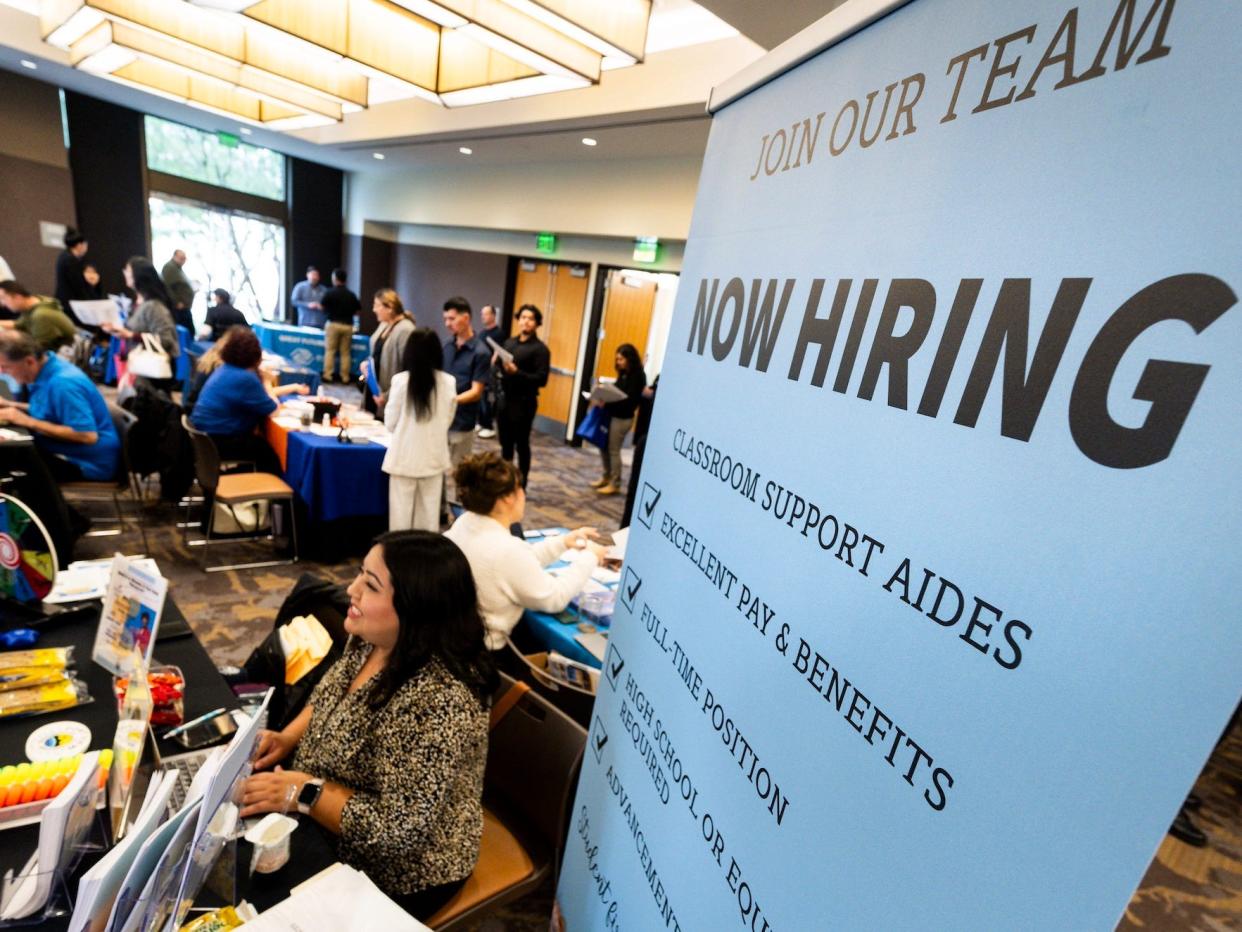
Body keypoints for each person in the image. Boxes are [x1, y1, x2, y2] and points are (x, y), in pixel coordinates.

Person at [241, 531, 496, 917]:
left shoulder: (438, 699)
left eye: (371, 585)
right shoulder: (371, 638)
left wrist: (303, 791)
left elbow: (398, 831)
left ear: (415, 610)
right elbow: (332, 695)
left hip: (402, 870)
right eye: (360, 573)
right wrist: (288, 736)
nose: (352, 589)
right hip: (325, 815)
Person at [446, 453, 604, 650]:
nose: (524, 495)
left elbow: (519, 565)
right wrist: (590, 557)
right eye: (520, 488)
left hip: (457, 641)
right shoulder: (506, 550)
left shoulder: (466, 522)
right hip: (486, 654)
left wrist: (563, 542)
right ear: (507, 498)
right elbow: (555, 598)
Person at [0, 330, 118, 481]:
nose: (2, 372)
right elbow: (50, 409)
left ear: (29, 361)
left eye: (5, 367)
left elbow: (88, 436)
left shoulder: (63, 384)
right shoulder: (46, 367)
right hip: (63, 449)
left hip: (86, 462)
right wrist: (10, 404)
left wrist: (26, 421)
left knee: (10, 464)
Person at [190, 326, 304, 473]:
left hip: (203, 438)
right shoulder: (245, 378)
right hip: (219, 440)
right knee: (269, 455)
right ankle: (276, 494)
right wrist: (266, 381)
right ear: (256, 355)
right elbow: (274, 410)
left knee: (259, 447)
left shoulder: (224, 369)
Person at [383, 329, 456, 532]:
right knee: (428, 519)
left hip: (403, 458)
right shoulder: (449, 383)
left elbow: (390, 423)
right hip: (433, 457)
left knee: (400, 519)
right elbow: (447, 420)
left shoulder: (400, 381)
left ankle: (400, 560)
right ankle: (425, 561)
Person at [441, 297, 489, 509]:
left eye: (451, 319)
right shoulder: (448, 346)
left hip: (462, 421)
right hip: (442, 419)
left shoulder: (480, 352)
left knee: (460, 475)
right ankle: (441, 511)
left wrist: (449, 400)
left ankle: (461, 515)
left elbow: (476, 391)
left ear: (466, 318)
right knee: (438, 470)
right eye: (445, 319)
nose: (447, 323)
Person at [103, 258, 180, 389]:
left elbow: (166, 340)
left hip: (152, 372)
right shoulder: (140, 303)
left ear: (137, 275)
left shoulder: (153, 306)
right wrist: (117, 331)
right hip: (140, 368)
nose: (124, 273)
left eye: (127, 270)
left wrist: (131, 335)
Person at [495, 303, 549, 488]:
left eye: (531, 318)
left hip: (524, 402)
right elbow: (501, 369)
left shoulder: (540, 349)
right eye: (523, 317)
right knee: (505, 443)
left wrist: (516, 372)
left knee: (521, 443)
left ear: (536, 323)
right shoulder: (509, 343)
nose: (526, 321)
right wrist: (497, 363)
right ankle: (506, 480)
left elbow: (541, 379)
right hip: (506, 399)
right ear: (518, 320)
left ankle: (522, 482)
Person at [592, 343, 646, 495]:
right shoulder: (623, 374)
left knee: (613, 450)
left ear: (629, 358)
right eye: (617, 359)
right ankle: (607, 476)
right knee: (604, 448)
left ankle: (615, 483)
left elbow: (629, 400)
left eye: (621, 359)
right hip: (613, 415)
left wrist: (610, 401)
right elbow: (616, 390)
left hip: (623, 419)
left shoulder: (638, 376)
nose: (618, 362)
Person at [363, 288, 415, 412]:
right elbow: (376, 353)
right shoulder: (384, 324)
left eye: (377, 305)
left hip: (389, 396)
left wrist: (387, 396)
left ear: (390, 307)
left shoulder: (405, 329)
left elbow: (408, 370)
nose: (374, 310)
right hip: (375, 390)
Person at [0, 281, 77, 353]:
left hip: (61, 355)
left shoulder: (41, 315)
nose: (2, 304)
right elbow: (18, 324)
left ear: (17, 297)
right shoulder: (36, 302)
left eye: (3, 298)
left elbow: (38, 351)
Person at [321, 268, 359, 384]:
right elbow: (357, 311)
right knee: (345, 353)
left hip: (333, 324)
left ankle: (328, 376)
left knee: (330, 351)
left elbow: (322, 307)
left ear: (335, 278)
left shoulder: (329, 292)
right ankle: (345, 378)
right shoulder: (351, 294)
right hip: (348, 326)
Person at [476, 304, 502, 439]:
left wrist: (493, 360)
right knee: (479, 397)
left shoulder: (499, 333)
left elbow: (499, 350)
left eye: (486, 314)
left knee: (487, 398)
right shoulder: (482, 333)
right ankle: (480, 422)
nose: (483, 317)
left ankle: (488, 426)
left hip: (490, 371)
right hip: (480, 369)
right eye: (482, 314)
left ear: (493, 315)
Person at [53, 229, 91, 323]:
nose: (86, 247)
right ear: (79, 245)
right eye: (85, 244)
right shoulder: (71, 260)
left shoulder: (63, 256)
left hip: (64, 303)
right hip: (70, 306)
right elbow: (78, 286)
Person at [161, 249, 196, 332]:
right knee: (187, 331)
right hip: (178, 308)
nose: (183, 260)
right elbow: (167, 287)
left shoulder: (177, 268)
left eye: (184, 258)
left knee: (189, 331)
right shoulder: (169, 267)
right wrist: (176, 302)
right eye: (181, 258)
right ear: (174, 257)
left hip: (183, 307)